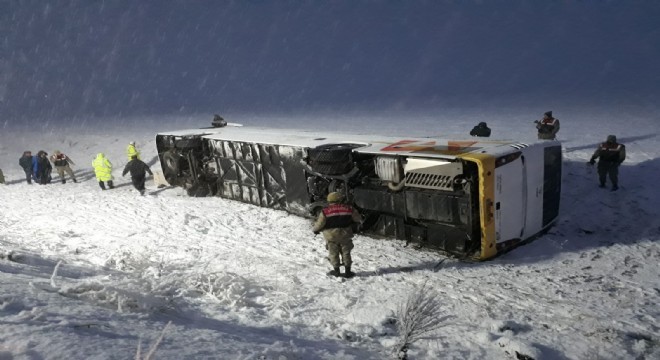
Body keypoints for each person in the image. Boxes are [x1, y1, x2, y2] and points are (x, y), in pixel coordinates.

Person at [312, 192, 362, 278]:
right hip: (345, 235)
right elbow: (358, 219)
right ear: (340, 199)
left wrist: (315, 230)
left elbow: (320, 224)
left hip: (331, 236)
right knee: (346, 253)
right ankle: (348, 272)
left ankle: (336, 271)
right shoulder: (349, 209)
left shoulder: (325, 211)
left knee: (333, 253)